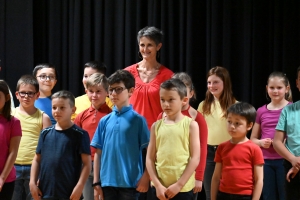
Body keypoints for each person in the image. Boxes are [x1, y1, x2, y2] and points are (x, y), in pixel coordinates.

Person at [91, 70, 150, 200]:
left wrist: (146, 176)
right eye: (110, 90)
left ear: (130, 91)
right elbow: (98, 152)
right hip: (107, 183)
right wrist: (96, 181)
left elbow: (150, 152)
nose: (113, 94)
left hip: (131, 183)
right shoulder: (104, 121)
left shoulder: (138, 120)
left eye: (118, 89)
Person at [29, 90, 91, 200]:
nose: (57, 111)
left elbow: (87, 164)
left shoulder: (80, 134)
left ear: (73, 110)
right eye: (54, 107)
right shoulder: (45, 133)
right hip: (45, 193)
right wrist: (32, 182)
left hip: (69, 194)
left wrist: (80, 186)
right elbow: (37, 159)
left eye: (62, 108)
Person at [146, 78, 200, 200]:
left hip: (183, 189)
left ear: (184, 100)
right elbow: (149, 158)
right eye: (163, 100)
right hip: (160, 189)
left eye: (171, 100)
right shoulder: (156, 126)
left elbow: (195, 158)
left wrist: (179, 184)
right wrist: (158, 185)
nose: (166, 104)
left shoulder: (191, 125)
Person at [157, 72, 207, 200]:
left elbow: (201, 150)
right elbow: (156, 150)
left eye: (184, 90)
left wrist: (199, 178)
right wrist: (155, 180)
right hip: (164, 179)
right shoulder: (162, 117)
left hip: (186, 180)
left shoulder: (196, 118)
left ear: (190, 93)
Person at [250, 72, 292, 200]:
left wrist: (285, 143)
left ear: (287, 89)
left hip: (285, 160)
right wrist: (261, 143)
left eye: (279, 88)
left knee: (285, 194)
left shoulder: (293, 108)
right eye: (272, 87)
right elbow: (252, 139)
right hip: (265, 161)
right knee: (268, 196)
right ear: (266, 88)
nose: (275, 91)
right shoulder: (261, 111)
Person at [197, 66, 236, 200]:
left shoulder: (235, 105)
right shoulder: (203, 105)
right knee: (210, 195)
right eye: (209, 82)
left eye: (216, 82)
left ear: (225, 82)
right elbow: (198, 132)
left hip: (228, 152)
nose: (211, 86)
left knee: (227, 194)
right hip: (208, 154)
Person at [211, 102, 264, 200]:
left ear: (249, 125)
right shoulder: (222, 147)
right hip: (223, 194)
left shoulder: (254, 149)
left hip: (245, 196)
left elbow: (259, 179)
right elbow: (216, 177)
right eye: (229, 121)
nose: (232, 126)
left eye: (237, 123)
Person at [125, 26, 173, 129]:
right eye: (142, 45)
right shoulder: (127, 73)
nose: (145, 49)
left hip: (158, 132)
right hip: (131, 130)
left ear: (158, 46)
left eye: (149, 45)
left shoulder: (168, 76)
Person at [12, 75, 52, 200]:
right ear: (17, 94)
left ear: (37, 95)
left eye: (30, 93)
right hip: (13, 167)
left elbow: (48, 147)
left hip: (34, 168)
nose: (26, 97)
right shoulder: (10, 114)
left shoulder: (43, 117)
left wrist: (43, 173)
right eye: (23, 93)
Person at [74, 73, 112, 200]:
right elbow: (76, 140)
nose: (94, 95)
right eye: (91, 91)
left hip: (105, 163)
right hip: (85, 163)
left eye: (98, 91)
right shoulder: (81, 115)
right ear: (86, 91)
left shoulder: (111, 115)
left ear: (107, 92)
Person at [273, 67, 300, 200]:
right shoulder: (288, 110)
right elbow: (277, 141)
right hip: (291, 164)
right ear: (297, 83)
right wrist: (293, 159)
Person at [0, 80, 22, 200]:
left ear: (7, 98)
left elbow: (13, 152)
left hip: (6, 178)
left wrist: (2, 178)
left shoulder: (14, 122)